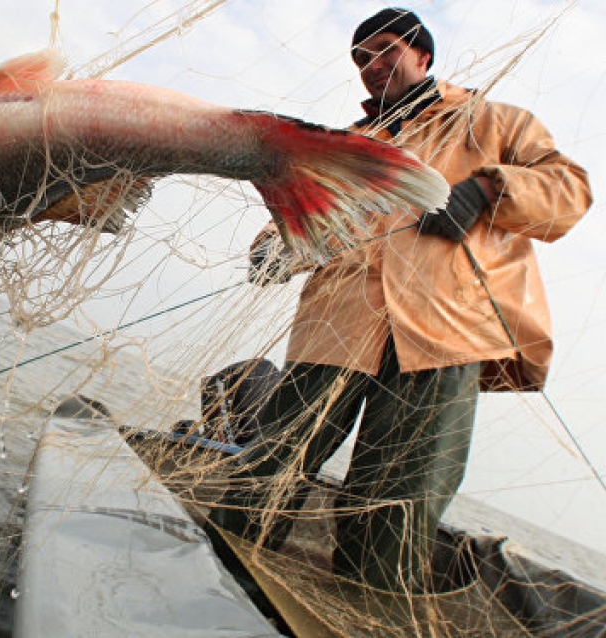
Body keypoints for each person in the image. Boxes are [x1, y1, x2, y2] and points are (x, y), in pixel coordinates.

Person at [210, 7, 593, 594]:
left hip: (443, 332)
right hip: (335, 325)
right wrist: (273, 248)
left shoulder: (494, 121)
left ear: (423, 55)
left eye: (386, 49)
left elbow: (569, 189)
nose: (372, 64)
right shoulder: (346, 145)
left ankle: (371, 602)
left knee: (400, 495)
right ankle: (215, 572)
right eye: (361, 58)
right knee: (272, 460)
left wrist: (486, 189)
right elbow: (302, 213)